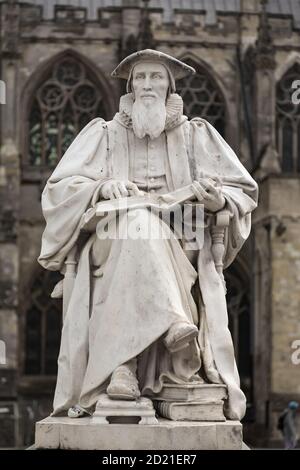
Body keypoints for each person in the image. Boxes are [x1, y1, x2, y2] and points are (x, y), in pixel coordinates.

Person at [38, 49, 258, 420]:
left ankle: (125, 368)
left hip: (182, 240)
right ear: (130, 87)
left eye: (156, 77)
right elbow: (59, 188)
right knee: (139, 224)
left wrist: (218, 198)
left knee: (145, 229)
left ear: (169, 87)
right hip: (110, 236)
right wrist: (102, 188)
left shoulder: (196, 135)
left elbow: (244, 191)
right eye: (140, 78)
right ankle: (171, 324)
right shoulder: (104, 134)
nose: (147, 85)